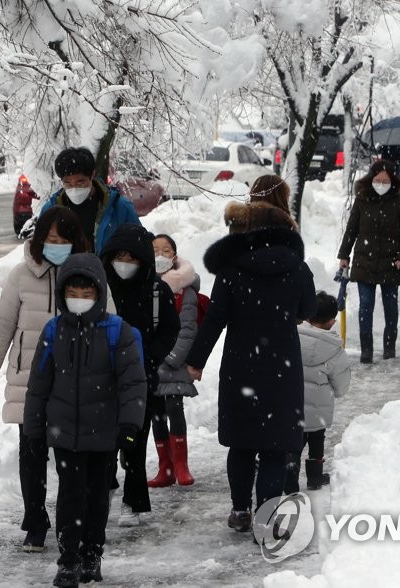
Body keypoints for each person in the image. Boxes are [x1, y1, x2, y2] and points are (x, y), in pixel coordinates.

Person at [185, 203, 316, 536]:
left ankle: (240, 510)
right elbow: (308, 309)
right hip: (282, 368)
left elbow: (215, 318)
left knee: (242, 445)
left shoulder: (232, 270)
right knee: (274, 446)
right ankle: (267, 515)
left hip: (240, 366)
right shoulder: (298, 269)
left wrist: (196, 361)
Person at [24, 253, 147, 587]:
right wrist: (34, 429)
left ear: (99, 294)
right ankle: (68, 561)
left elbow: (133, 382)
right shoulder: (53, 330)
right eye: (73, 293)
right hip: (65, 433)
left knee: (96, 497)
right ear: (64, 293)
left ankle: (92, 553)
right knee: (69, 496)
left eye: (87, 293)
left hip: (103, 432)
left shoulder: (116, 331)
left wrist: (129, 426)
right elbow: (39, 384)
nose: (79, 299)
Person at [0, 206, 91, 552]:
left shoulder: (87, 274)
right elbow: (2, 331)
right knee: (32, 453)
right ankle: (36, 521)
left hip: (74, 382)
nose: (56, 245)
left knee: (70, 458)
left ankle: (72, 523)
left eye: (63, 239)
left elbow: (108, 323)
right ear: (40, 240)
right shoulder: (20, 277)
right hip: (30, 381)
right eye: (50, 239)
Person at [99, 224, 180, 526]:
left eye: (131, 258)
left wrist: (150, 357)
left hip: (141, 378)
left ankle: (134, 501)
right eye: (119, 256)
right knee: (105, 439)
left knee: (135, 439)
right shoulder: (100, 287)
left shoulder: (157, 291)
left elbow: (170, 329)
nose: (124, 263)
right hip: (103, 377)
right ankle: (105, 486)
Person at [337, 160, 400, 364]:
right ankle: (366, 350)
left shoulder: (399, 202)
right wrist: (344, 255)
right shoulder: (362, 200)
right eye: (377, 180)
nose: (381, 183)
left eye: (385, 180)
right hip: (365, 262)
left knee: (391, 307)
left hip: (391, 263)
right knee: (366, 306)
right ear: (371, 179)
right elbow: (351, 229)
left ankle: (389, 348)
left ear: (392, 181)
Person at [147, 234, 200, 488]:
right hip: (151, 361)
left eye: (165, 251)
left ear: (174, 257)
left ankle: (181, 465)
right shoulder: (144, 285)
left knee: (174, 409)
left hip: (174, 362)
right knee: (156, 413)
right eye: (154, 250)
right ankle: (165, 466)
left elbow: (188, 328)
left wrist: (172, 357)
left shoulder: (184, 288)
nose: (159, 256)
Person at [289, 291, 351, 493]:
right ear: (332, 322)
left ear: (306, 316)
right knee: (316, 441)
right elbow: (342, 385)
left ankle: (289, 478)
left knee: (293, 446)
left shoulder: (290, 336)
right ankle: (315, 477)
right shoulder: (334, 349)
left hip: (292, 407)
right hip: (318, 412)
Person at [40, 147, 142, 253]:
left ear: (92, 175)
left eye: (80, 183)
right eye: (68, 184)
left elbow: (140, 246)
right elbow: (38, 247)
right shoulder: (51, 210)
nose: (74, 189)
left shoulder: (119, 208)